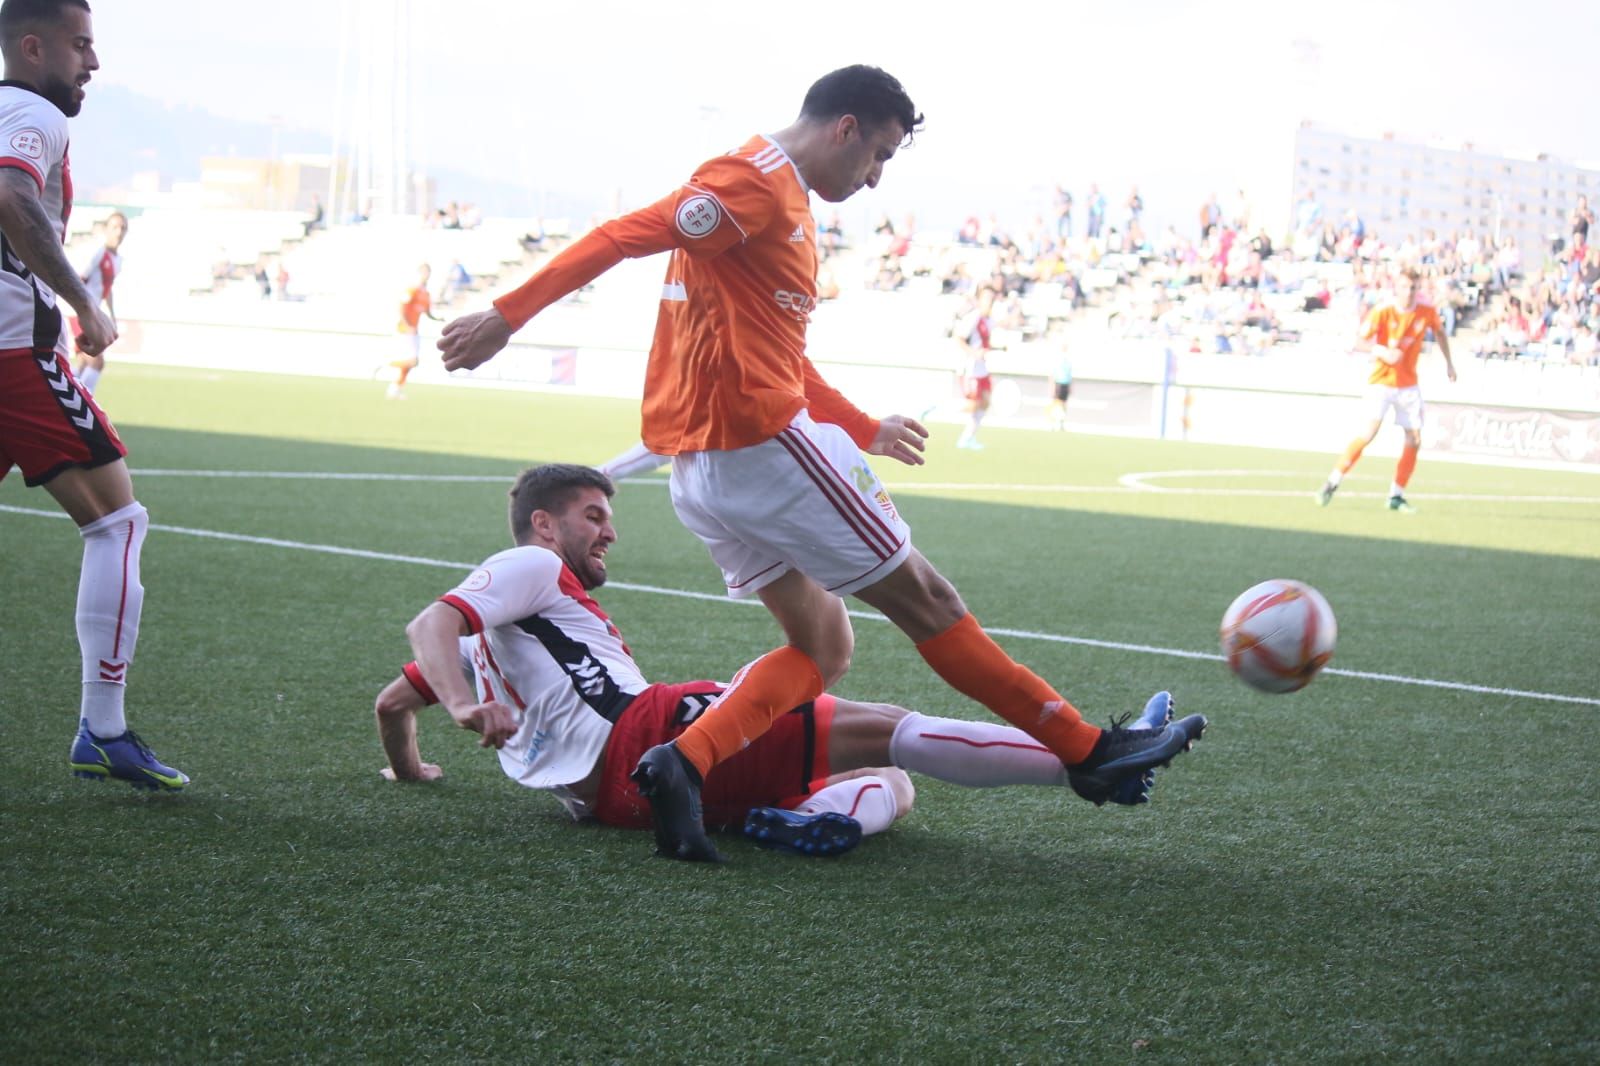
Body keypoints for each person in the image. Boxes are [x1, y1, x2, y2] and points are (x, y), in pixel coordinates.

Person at [437, 65, 1205, 862]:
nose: (873, 179)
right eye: (875, 155)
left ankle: (684, 761)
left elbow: (781, 353)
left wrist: (864, 426)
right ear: (843, 126)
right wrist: (504, 315)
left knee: (824, 649)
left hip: (706, 474)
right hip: (763, 449)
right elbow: (626, 233)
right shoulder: (755, 184)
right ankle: (1089, 749)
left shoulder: (782, 203)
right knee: (929, 602)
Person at [376, 464, 1180, 859]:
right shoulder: (530, 566)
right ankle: (1092, 762)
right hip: (645, 737)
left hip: (609, 805)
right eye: (594, 516)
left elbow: (389, 706)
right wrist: (461, 707)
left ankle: (805, 819)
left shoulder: (493, 646)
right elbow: (429, 624)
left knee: (891, 787)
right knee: (882, 724)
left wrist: (411, 771)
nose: (608, 531)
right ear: (544, 526)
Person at [0, 0, 185, 789]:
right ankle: (102, 730)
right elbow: (11, 199)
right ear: (33, 45)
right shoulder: (30, 109)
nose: (93, 63)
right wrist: (84, 301)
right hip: (13, 354)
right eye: (82, 46)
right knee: (118, 521)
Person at [1317, 268, 1457, 512]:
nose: (1410, 292)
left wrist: (1449, 363)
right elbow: (1358, 341)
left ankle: (1396, 495)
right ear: (1397, 288)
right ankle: (1332, 481)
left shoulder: (1426, 312)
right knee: (1369, 433)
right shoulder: (1383, 310)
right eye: (1405, 287)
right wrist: (1382, 351)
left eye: (1414, 288)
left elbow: (1441, 333)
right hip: (1382, 381)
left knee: (1414, 439)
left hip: (1409, 384)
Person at [69, 208, 125, 395]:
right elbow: (80, 279)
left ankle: (63, 399)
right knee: (97, 362)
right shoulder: (98, 253)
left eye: (123, 228)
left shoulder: (118, 259)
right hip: (82, 312)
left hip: (92, 312)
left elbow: (107, 290)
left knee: (84, 363)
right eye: (115, 227)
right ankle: (83, 403)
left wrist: (112, 316)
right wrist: (81, 308)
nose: (119, 232)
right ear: (106, 230)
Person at [952, 286, 995, 449]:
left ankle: (968, 437)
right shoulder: (974, 317)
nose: (989, 302)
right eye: (986, 298)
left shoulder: (989, 319)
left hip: (982, 368)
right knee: (973, 404)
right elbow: (958, 338)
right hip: (970, 368)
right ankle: (936, 408)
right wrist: (973, 353)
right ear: (979, 300)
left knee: (985, 401)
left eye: (992, 298)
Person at [388, 263, 438, 399]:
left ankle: (396, 388)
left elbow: (427, 312)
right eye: (424, 272)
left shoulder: (426, 293)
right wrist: (406, 324)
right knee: (412, 361)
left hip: (415, 330)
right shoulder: (412, 289)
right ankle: (385, 365)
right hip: (405, 329)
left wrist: (438, 319)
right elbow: (401, 306)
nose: (426, 275)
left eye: (428, 272)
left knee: (411, 363)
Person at [1050, 347, 1072, 430]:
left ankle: (1061, 423)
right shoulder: (1057, 362)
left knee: (1064, 405)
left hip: (1065, 385)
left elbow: (1070, 376)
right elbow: (1052, 375)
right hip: (1058, 384)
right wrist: (1052, 387)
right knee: (1056, 404)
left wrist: (1070, 387)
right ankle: (1052, 423)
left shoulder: (1069, 363)